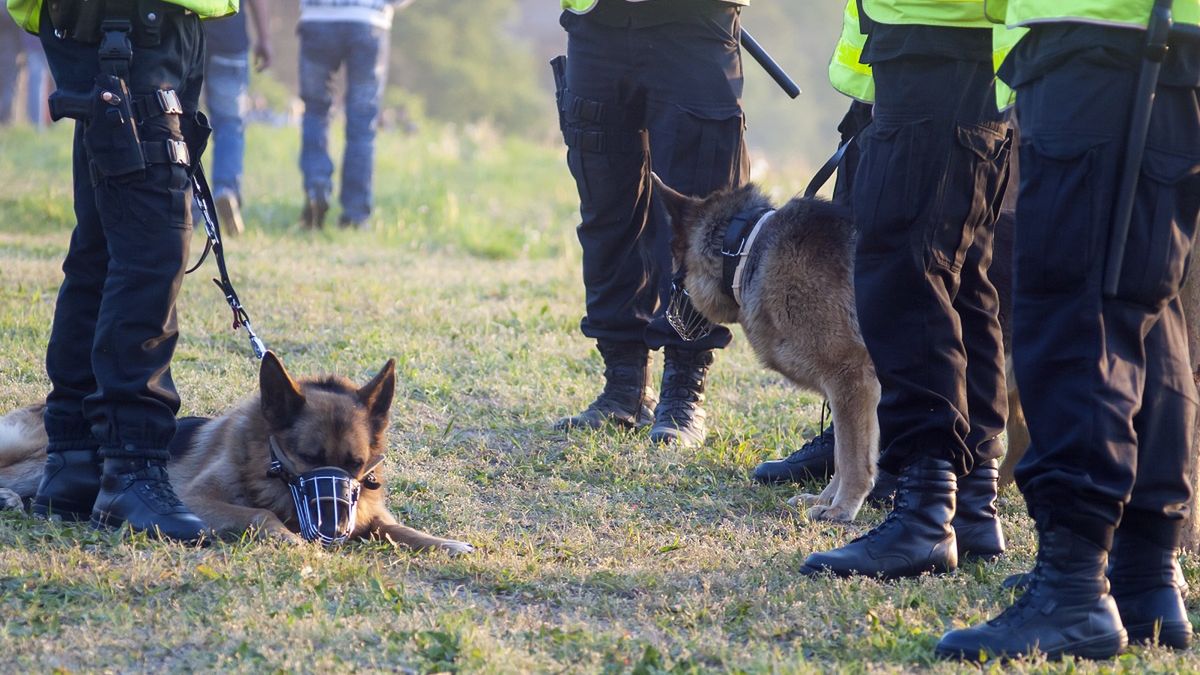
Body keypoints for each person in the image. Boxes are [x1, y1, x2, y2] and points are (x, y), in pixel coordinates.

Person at [937, 1, 1200, 662]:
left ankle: (1073, 587)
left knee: (1073, 305)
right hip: (1172, 50)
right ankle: (1146, 577)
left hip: (1098, 44)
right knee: (1145, 305)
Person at [5, 0, 238, 542]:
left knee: (104, 249)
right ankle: (131, 471)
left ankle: (75, 465)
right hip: (133, 25)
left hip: (133, 27)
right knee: (149, 252)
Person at [798, 0, 1015, 579]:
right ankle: (972, 502)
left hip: (935, 46)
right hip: (960, 56)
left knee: (906, 279)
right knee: (960, 282)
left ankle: (926, 512)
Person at [552, 0, 751, 449]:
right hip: (595, 20)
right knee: (606, 212)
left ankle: (683, 393)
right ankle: (623, 387)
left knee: (700, 221)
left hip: (694, 21)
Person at [297, 0, 410, 230]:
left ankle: (316, 189)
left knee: (315, 112)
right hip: (368, 20)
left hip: (317, 17)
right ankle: (355, 215)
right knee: (362, 123)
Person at [202, 0, 271, 236]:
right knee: (230, 124)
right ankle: (226, 189)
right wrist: (264, 39)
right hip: (229, 39)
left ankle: (186, 199)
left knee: (178, 122)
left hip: (185, 37)